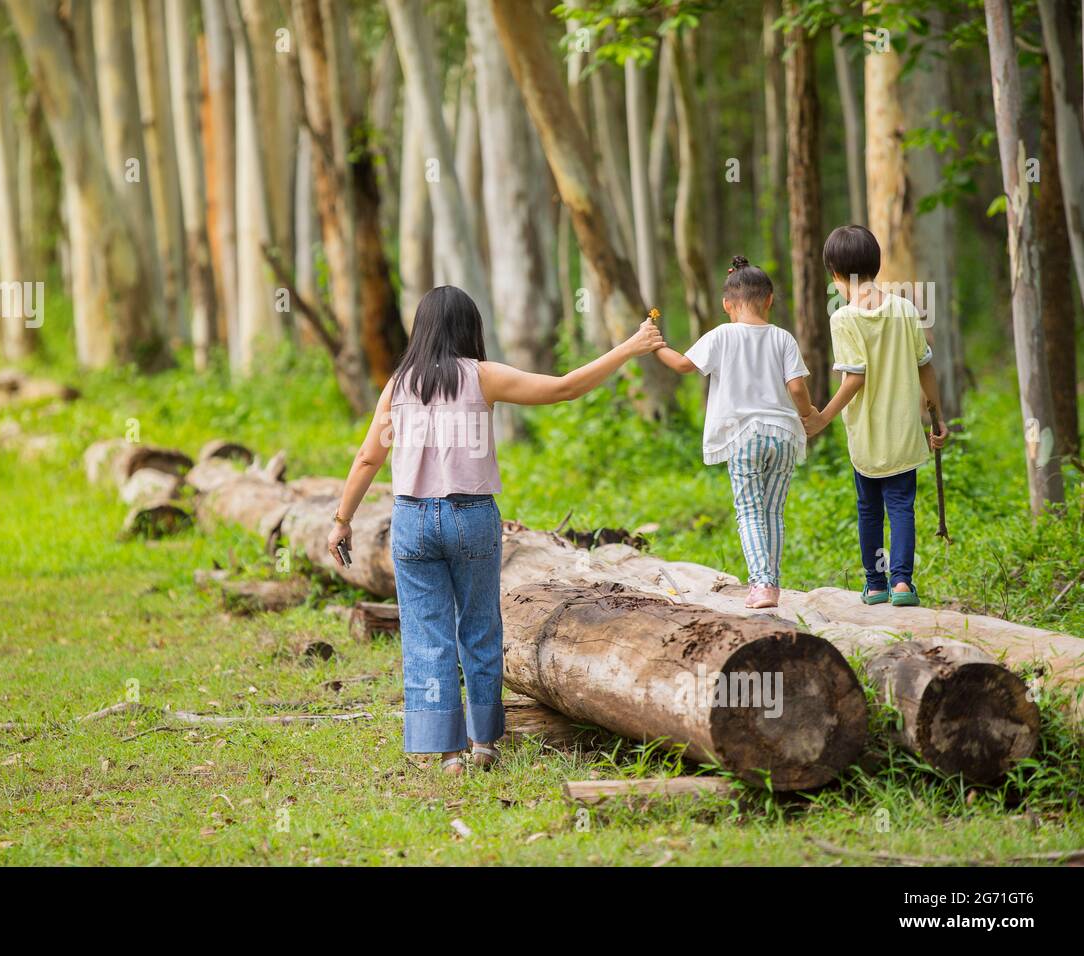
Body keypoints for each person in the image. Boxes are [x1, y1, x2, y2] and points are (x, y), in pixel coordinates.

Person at [326, 285, 663, 775]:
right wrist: (630, 347)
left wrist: (342, 520)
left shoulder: (398, 387)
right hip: (471, 519)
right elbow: (564, 387)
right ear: (470, 328)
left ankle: (447, 753)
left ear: (421, 330)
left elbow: (367, 457)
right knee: (480, 627)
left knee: (426, 635)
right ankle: (483, 743)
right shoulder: (482, 377)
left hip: (413, 521)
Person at [650, 256, 815, 608]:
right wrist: (808, 414)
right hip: (783, 434)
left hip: (745, 436)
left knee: (749, 511)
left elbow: (682, 366)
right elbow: (798, 388)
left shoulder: (722, 335)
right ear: (770, 299)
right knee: (772, 511)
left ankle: (762, 584)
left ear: (727, 304)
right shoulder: (783, 338)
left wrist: (655, 345)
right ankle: (771, 581)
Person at [803, 224, 948, 607]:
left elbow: (854, 378)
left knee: (869, 510)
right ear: (877, 265)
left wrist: (822, 418)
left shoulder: (844, 318)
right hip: (903, 433)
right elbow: (926, 367)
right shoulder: (903, 308)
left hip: (866, 437)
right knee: (901, 507)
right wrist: (937, 415)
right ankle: (902, 583)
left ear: (834, 273)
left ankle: (875, 583)